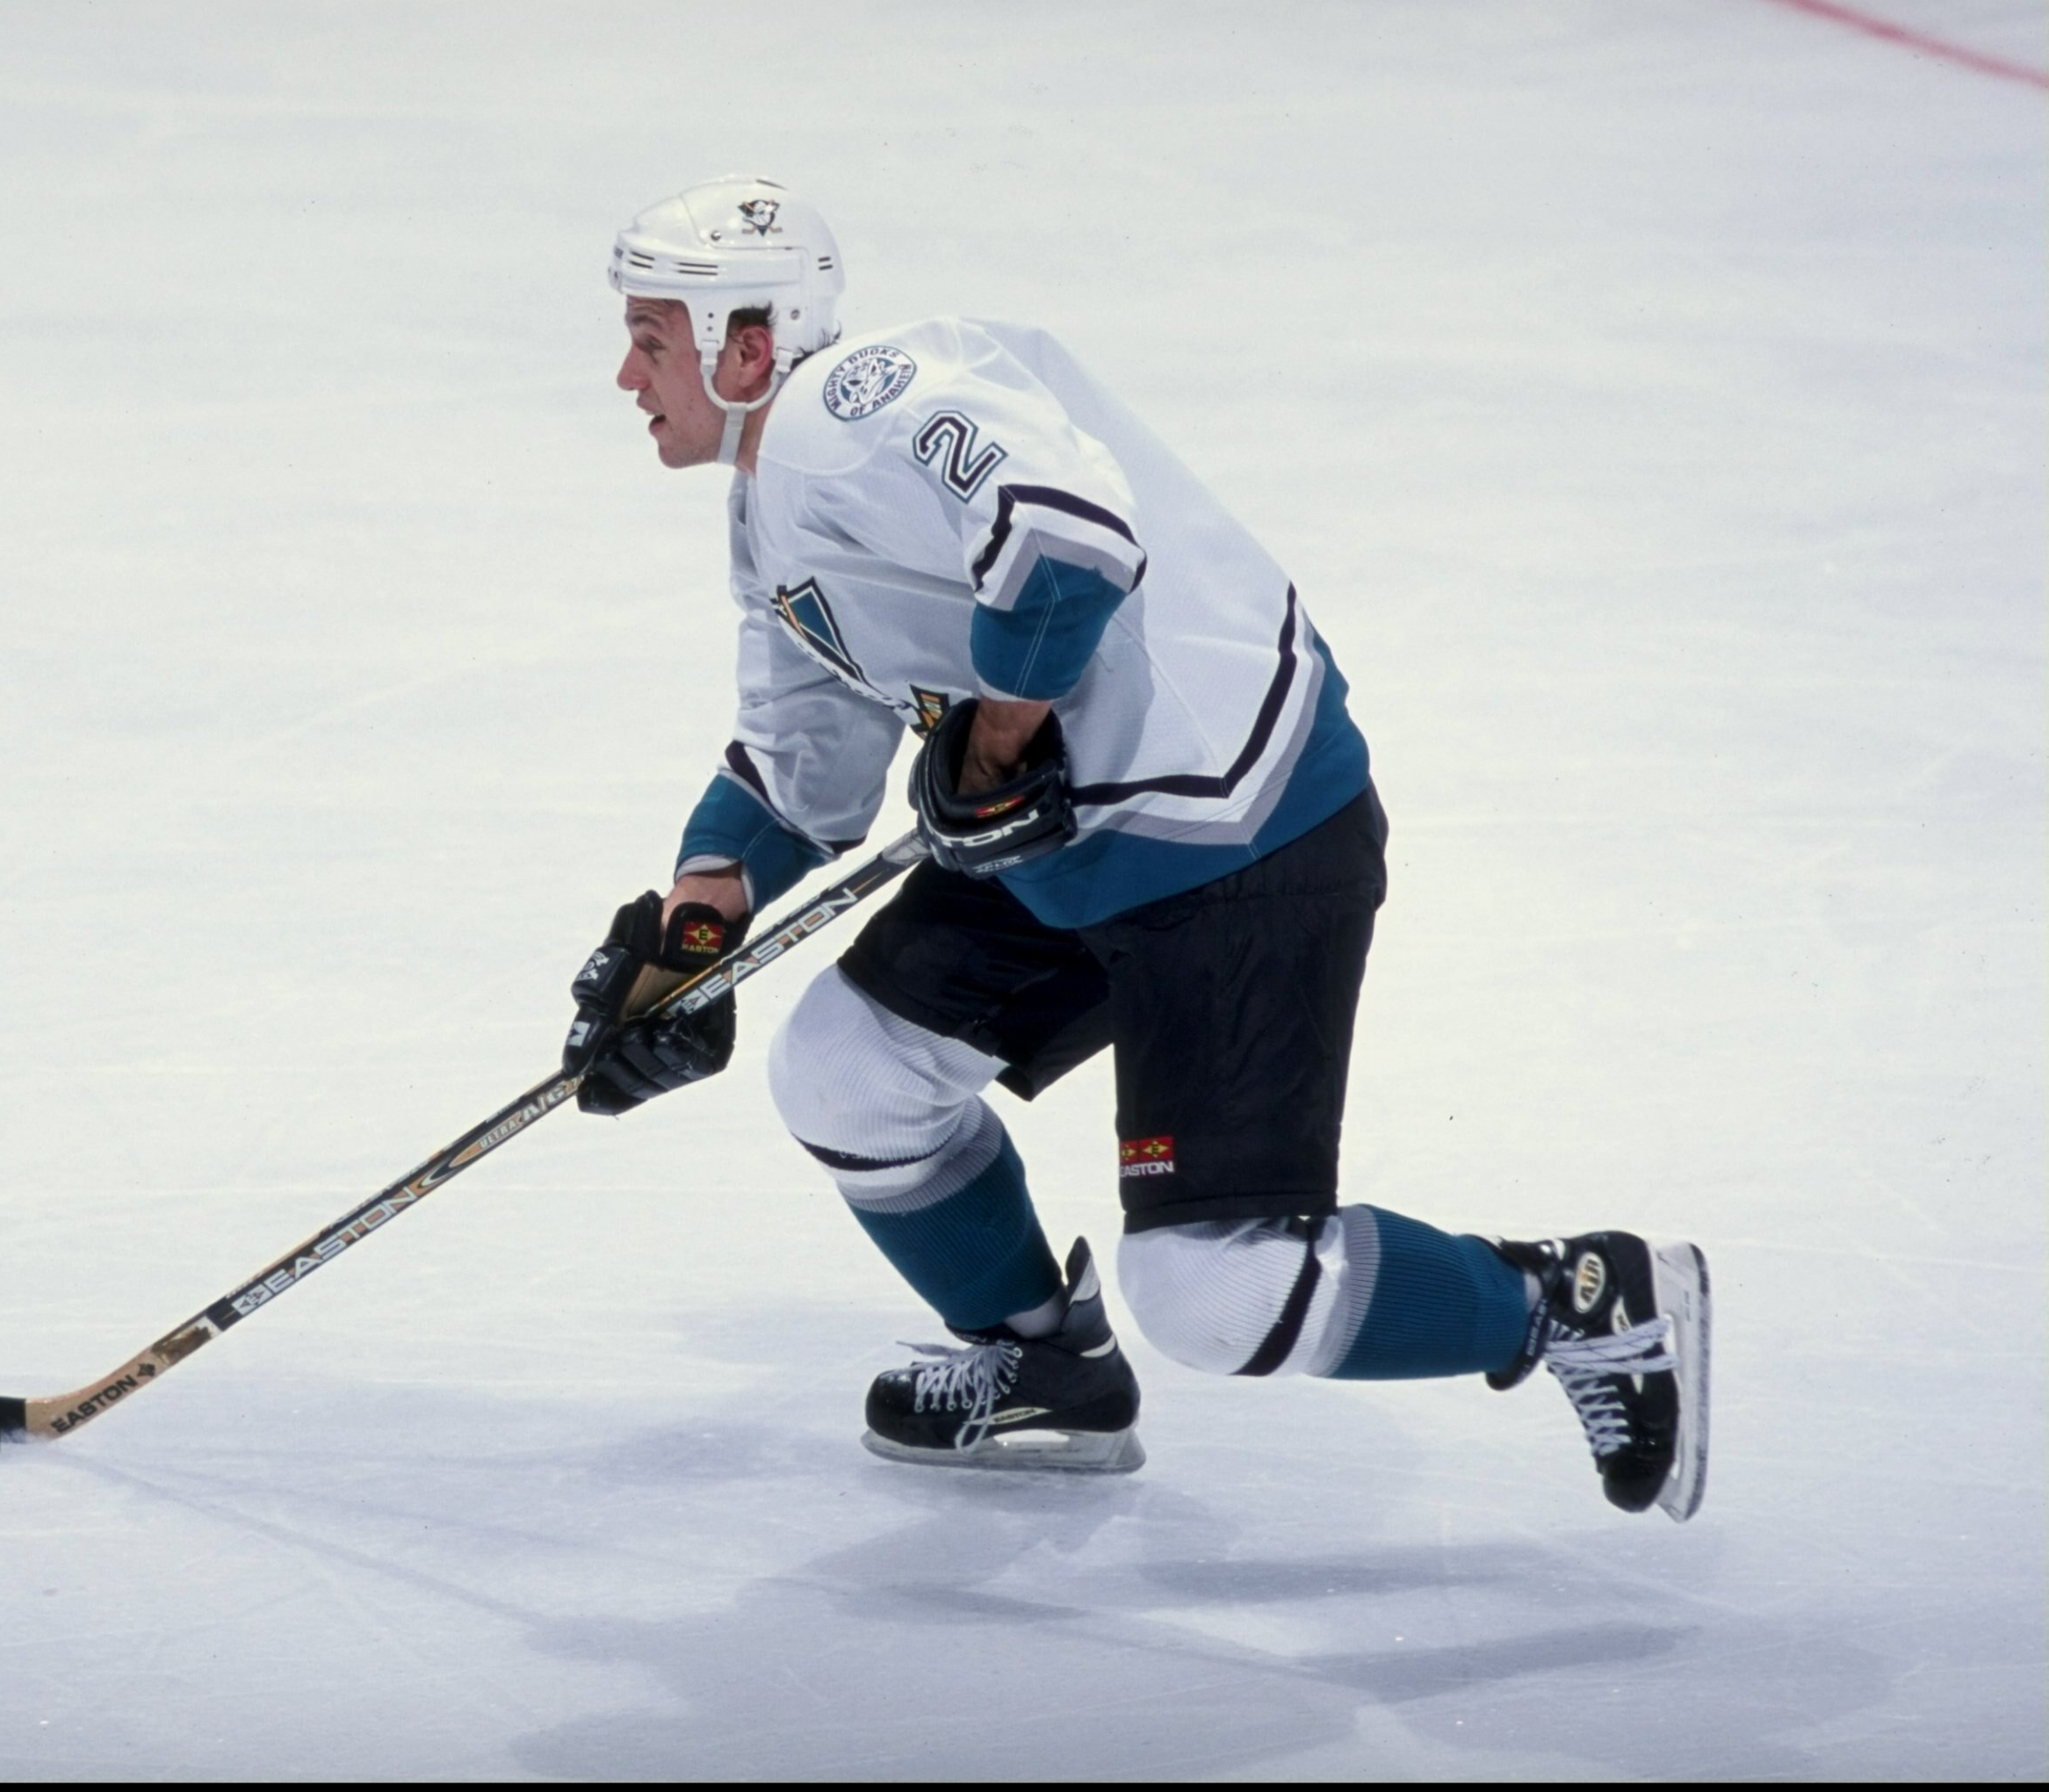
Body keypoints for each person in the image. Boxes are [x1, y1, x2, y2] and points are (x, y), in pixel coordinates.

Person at [559, 176, 1709, 1518]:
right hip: (1075, 844)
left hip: (1238, 835)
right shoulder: (770, 509)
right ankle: (1047, 1365)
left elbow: (1067, 541)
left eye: (651, 338)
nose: (626, 373)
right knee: (847, 1069)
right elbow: (803, 764)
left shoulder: (851, 405)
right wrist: (694, 934)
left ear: (745, 346)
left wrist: (990, 752)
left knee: (1221, 1292)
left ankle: (1574, 1302)